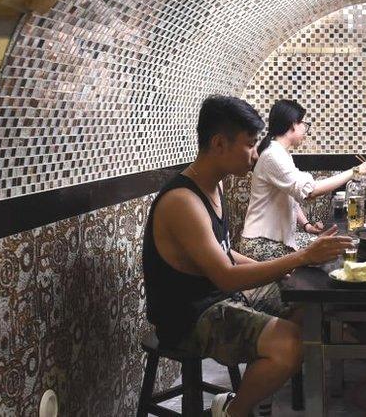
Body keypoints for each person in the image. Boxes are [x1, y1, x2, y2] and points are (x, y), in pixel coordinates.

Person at [142, 95, 353, 417]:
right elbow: (225, 274)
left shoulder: (215, 186)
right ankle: (233, 411)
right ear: (218, 143)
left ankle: (259, 393)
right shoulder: (183, 201)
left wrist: (273, 268)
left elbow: (225, 252)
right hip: (188, 316)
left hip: (219, 299)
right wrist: (300, 258)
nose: (256, 154)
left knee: (304, 306)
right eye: (251, 144)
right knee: (289, 344)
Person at [238, 99, 366, 261]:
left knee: (336, 244)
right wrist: (355, 171)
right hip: (261, 244)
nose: (306, 130)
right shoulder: (273, 155)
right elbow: (310, 191)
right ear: (292, 125)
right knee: (333, 250)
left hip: (274, 240)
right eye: (304, 124)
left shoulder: (280, 153)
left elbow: (290, 196)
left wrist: (306, 225)